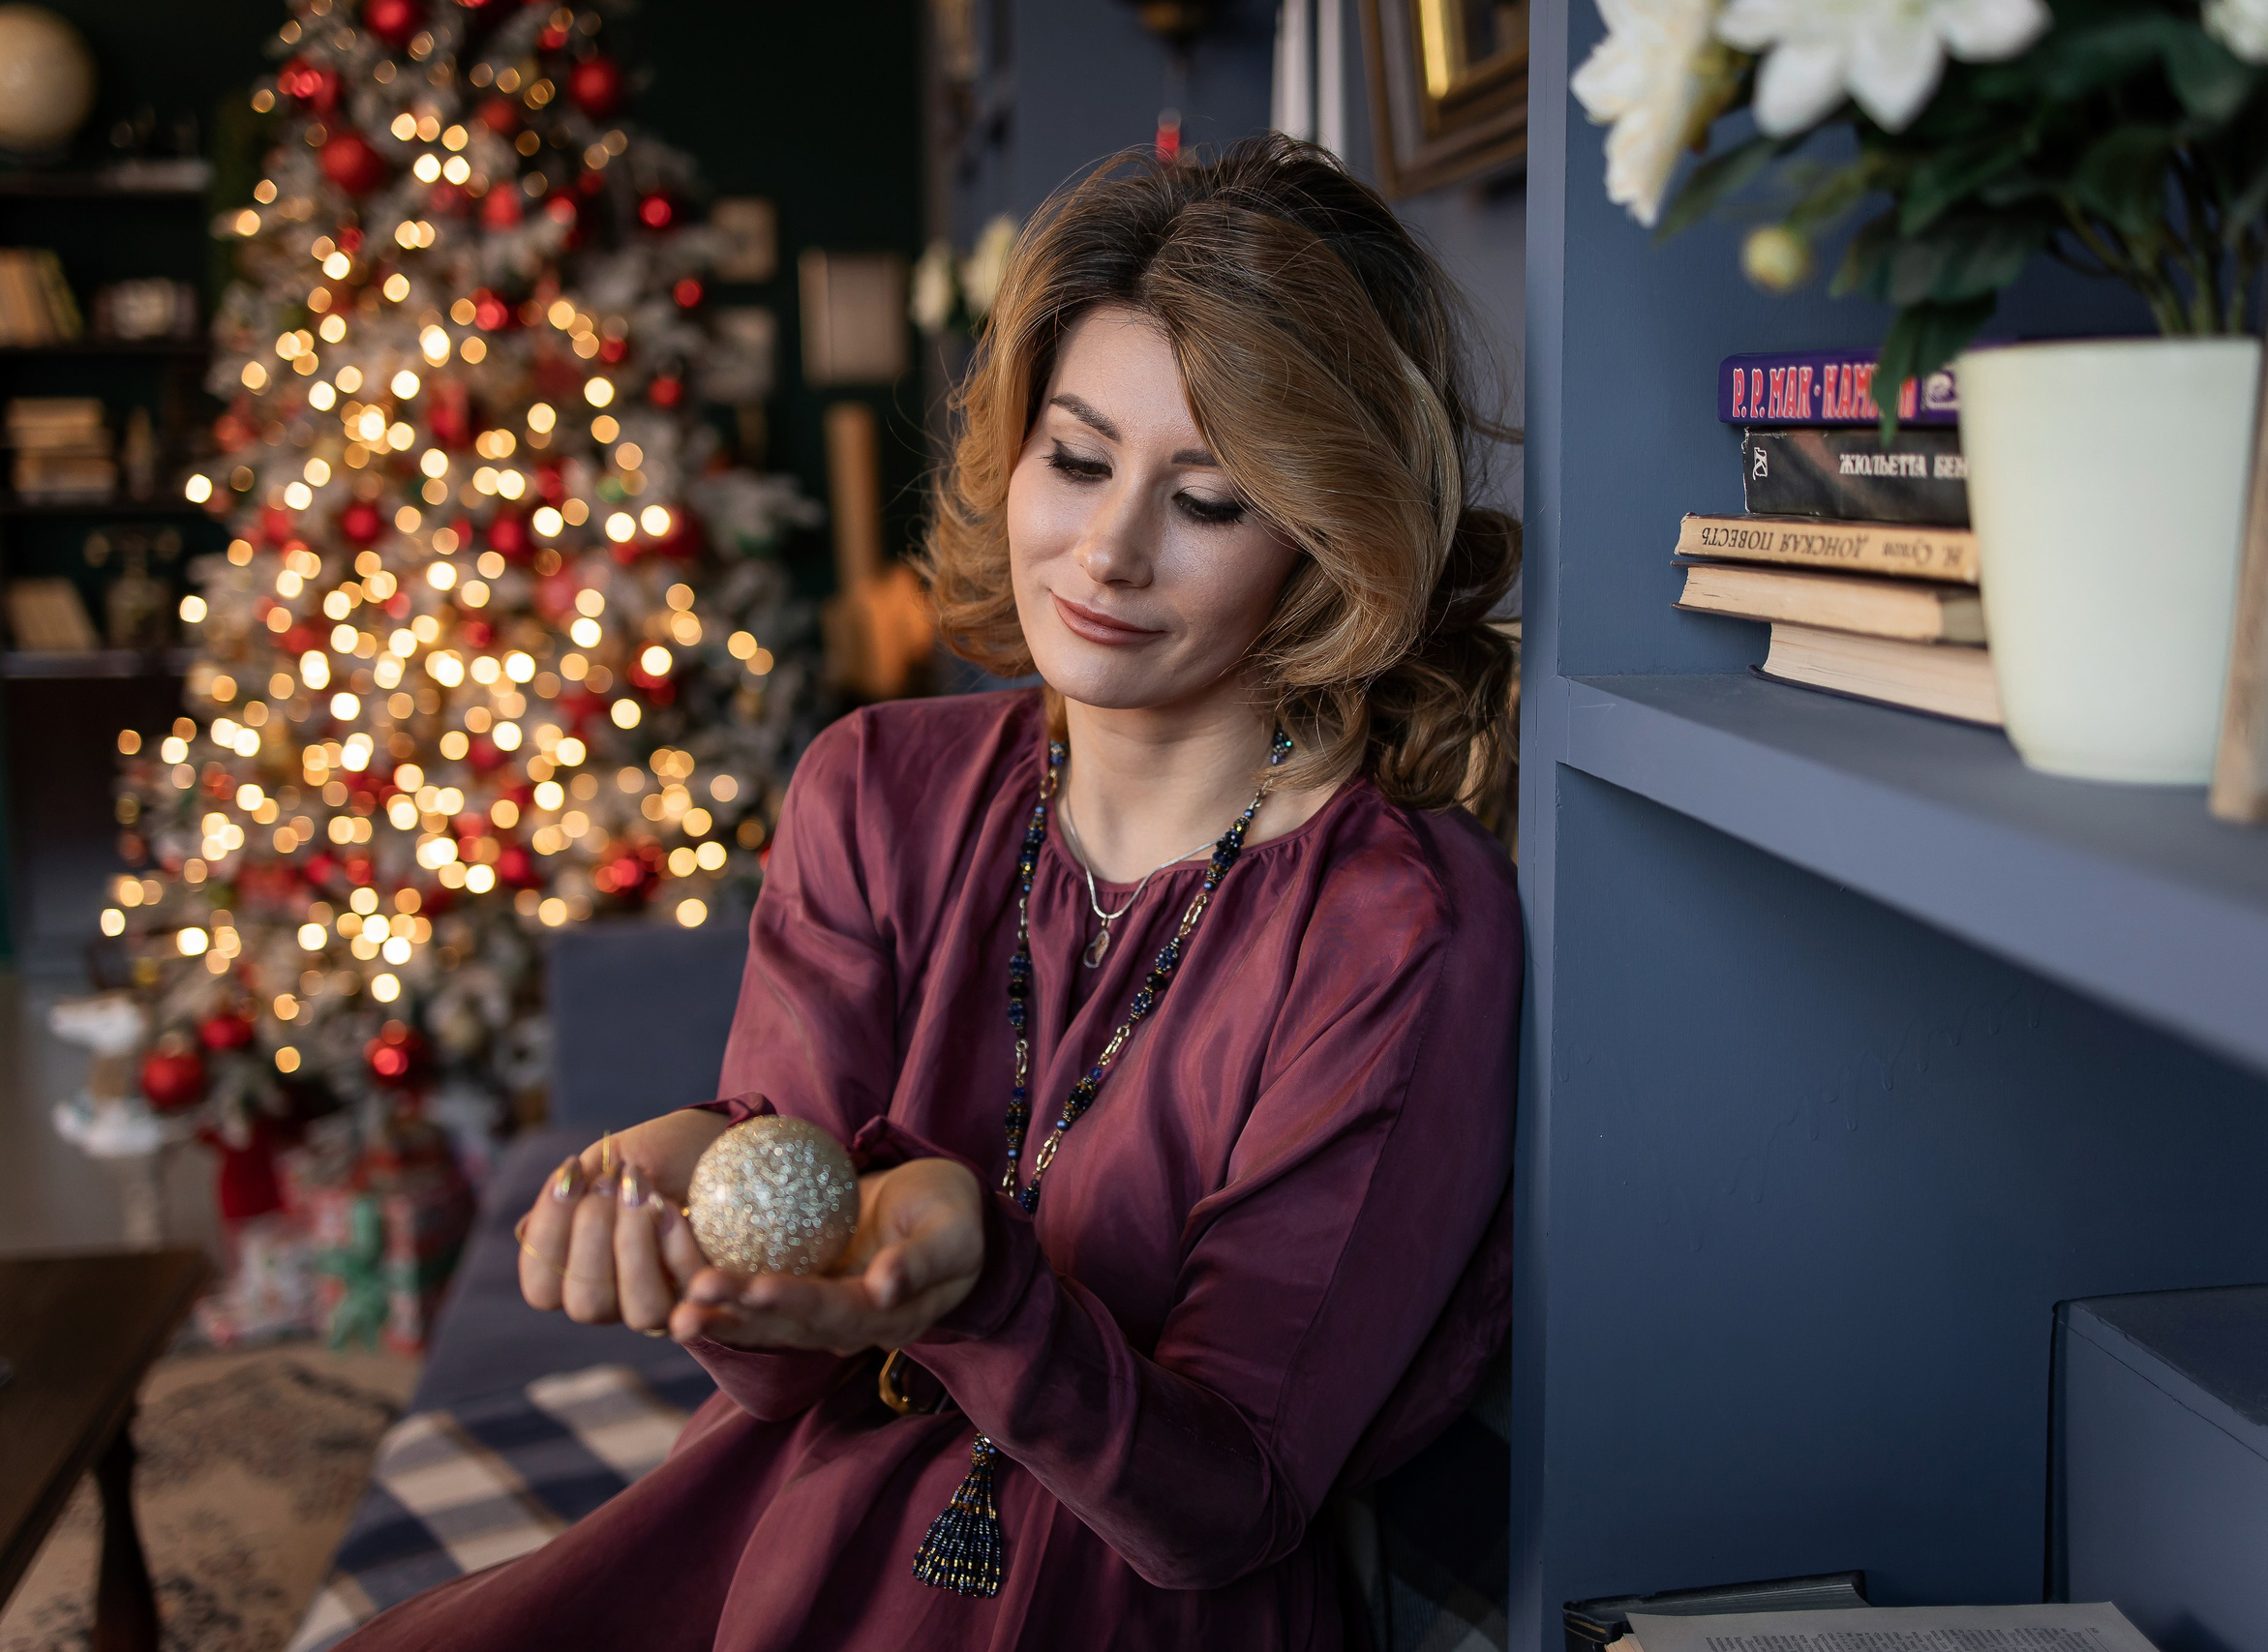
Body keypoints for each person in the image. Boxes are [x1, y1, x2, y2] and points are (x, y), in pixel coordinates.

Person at [341, 134, 1523, 1652]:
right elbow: (776, 1357)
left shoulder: (1398, 927)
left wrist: (986, 1295)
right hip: (789, 1525)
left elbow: (1230, 1505)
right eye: (1079, 459)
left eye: (1210, 501)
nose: (1108, 551)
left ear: (1326, 547)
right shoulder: (878, 788)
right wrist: (681, 1178)